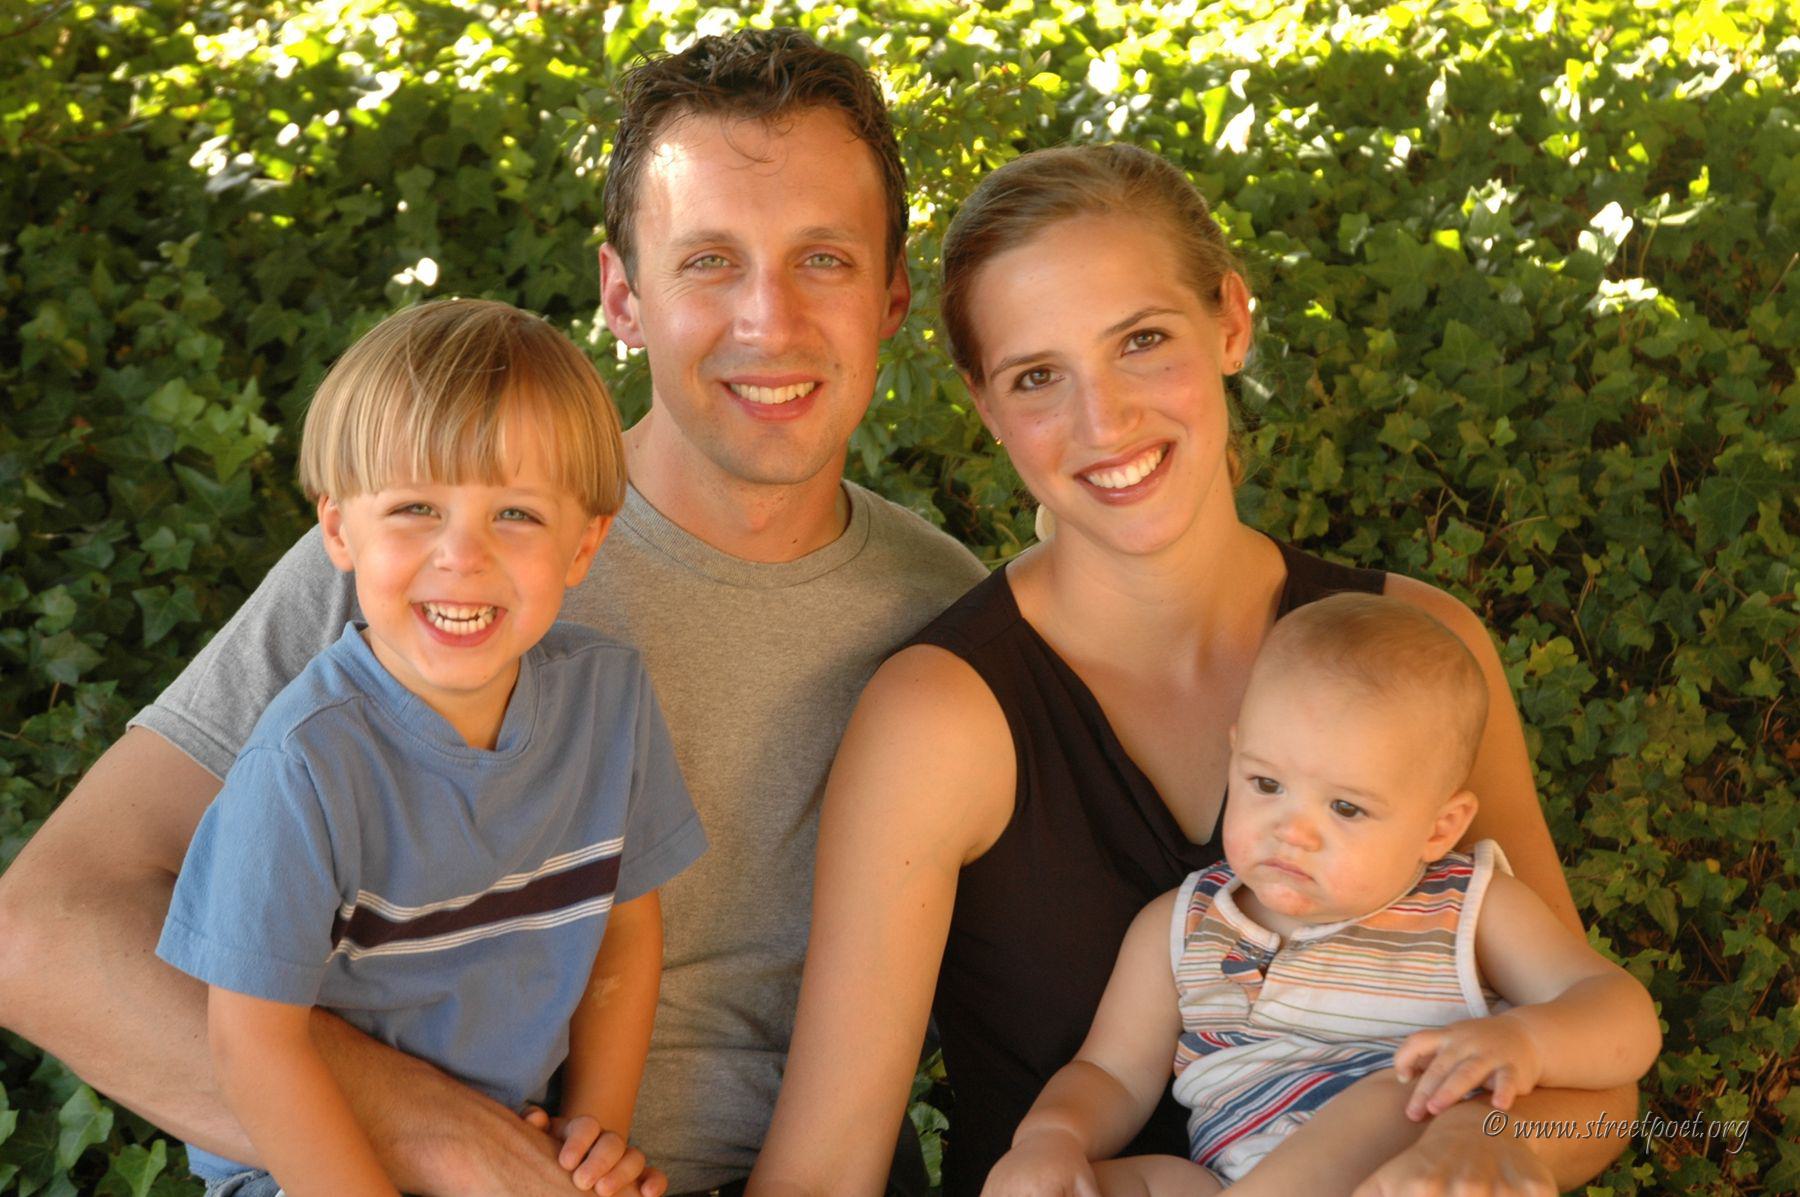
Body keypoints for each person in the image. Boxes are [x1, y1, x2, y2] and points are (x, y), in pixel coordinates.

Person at [0, 28, 984, 1197]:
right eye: (709, 260)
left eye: (822, 258)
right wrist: (456, 1146)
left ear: (893, 294)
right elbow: (46, 934)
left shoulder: (946, 618)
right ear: (623, 295)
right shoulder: (433, 564)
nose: (768, 321)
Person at [753, 143, 1634, 1197]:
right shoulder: (942, 715)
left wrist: (1480, 1145)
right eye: (1038, 376)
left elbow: (1595, 1081)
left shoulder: (1422, 649)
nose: (1105, 421)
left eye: (1142, 341)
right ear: (986, 406)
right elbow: (824, 1169)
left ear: (1231, 320)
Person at [155, 298, 706, 1197]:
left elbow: (623, 928)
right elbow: (250, 1043)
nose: (462, 554)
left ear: (584, 543)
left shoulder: (608, 702)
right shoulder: (304, 765)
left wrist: (591, 1141)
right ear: (340, 529)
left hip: (514, 1145)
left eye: (516, 513)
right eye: (416, 507)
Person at [983, 593, 1661, 1197]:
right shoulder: (1180, 926)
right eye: (1266, 785)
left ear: (1438, 828)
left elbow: (1621, 1014)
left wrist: (1524, 1040)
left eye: (1345, 807)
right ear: (1235, 756)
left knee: (1402, 1094)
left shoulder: (1469, 909)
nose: (1292, 832)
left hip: (1404, 1167)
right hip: (1226, 1177)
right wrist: (1051, 1137)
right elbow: (1109, 1072)